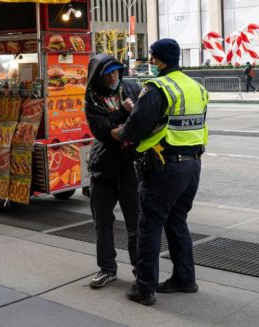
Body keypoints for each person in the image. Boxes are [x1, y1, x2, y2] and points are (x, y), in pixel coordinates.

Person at [110, 38, 208, 306]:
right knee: (177, 220)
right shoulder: (196, 87)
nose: (150, 62)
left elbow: (136, 128)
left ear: (161, 59)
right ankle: (185, 279)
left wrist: (119, 131)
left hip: (164, 166)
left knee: (149, 225)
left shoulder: (158, 87)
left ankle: (144, 288)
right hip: (192, 165)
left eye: (152, 57)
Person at [85, 54, 141, 289]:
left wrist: (124, 124)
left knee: (136, 223)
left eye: (116, 71)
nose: (113, 76)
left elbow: (143, 120)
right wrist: (122, 113)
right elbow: (103, 131)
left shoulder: (131, 87)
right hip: (103, 168)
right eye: (108, 73)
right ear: (98, 77)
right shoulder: (92, 99)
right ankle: (107, 269)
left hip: (130, 166)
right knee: (103, 222)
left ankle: (142, 271)